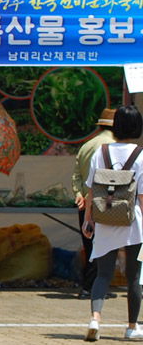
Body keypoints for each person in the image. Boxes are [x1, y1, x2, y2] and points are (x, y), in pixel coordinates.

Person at [82, 105, 143, 343]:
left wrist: (89, 219)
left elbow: (90, 190)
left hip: (105, 218)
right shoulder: (140, 155)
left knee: (103, 274)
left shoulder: (101, 151)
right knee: (133, 276)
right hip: (132, 222)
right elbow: (141, 197)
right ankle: (131, 327)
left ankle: (95, 319)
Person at [73, 109, 118, 298]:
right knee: (103, 247)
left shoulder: (86, 146)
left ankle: (88, 286)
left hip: (85, 203)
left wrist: (79, 194)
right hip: (105, 203)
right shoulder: (114, 147)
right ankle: (92, 288)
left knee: (90, 245)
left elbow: (77, 175)